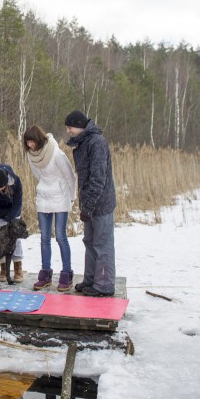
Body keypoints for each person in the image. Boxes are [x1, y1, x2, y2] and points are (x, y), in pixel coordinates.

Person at [64, 110, 117, 297]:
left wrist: (89, 205)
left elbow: (97, 178)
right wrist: (84, 205)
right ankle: (91, 279)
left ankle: (104, 285)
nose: (68, 130)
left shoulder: (97, 143)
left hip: (101, 203)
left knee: (102, 244)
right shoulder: (84, 142)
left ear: (79, 125)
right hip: (89, 202)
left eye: (69, 127)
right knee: (89, 242)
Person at [23, 125, 77, 292]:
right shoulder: (31, 155)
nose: (30, 145)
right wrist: (43, 187)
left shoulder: (56, 153)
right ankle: (45, 274)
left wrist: (72, 197)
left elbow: (70, 176)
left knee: (61, 236)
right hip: (43, 197)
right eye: (27, 142)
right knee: (44, 238)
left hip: (60, 198)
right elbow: (38, 176)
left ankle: (66, 274)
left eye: (32, 141)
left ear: (38, 139)